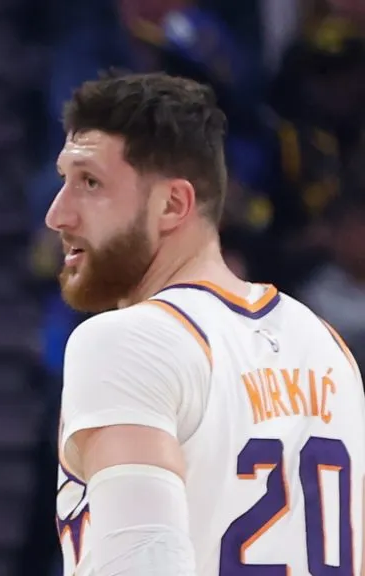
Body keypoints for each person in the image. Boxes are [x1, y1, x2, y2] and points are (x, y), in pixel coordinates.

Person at [48, 72, 365, 575]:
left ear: (173, 204)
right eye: (63, 179)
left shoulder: (125, 342)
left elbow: (142, 562)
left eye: (90, 182)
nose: (57, 214)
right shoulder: (326, 347)